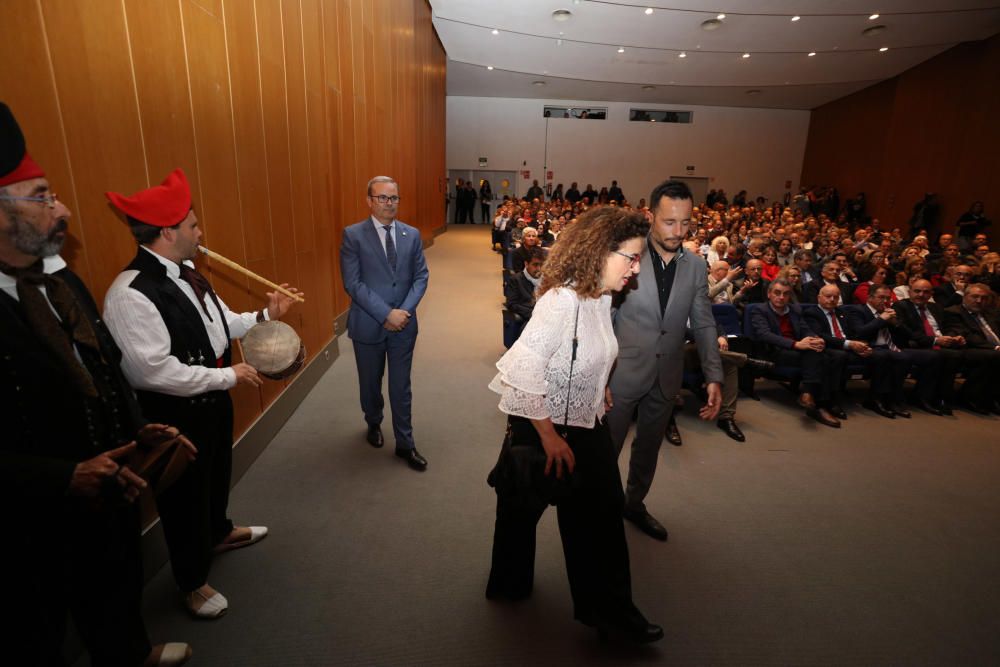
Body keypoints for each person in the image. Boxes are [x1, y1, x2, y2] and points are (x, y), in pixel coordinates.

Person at [0, 102, 192, 666]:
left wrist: (138, 431)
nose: (61, 209)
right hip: (26, 523)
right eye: (41, 196)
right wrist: (63, 475)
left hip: (107, 492)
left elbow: (102, 370)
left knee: (110, 591)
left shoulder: (60, 284)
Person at [103, 168, 296, 618]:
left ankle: (219, 531)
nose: (200, 231)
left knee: (215, 473)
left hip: (210, 399)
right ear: (168, 231)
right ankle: (191, 582)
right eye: (192, 225)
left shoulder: (189, 272)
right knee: (182, 498)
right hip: (173, 413)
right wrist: (226, 377)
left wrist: (265, 314)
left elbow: (222, 325)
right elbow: (149, 371)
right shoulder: (129, 294)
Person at [486, 206, 663, 644]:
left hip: (586, 424)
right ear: (599, 253)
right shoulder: (560, 302)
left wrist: (597, 385)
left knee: (600, 524)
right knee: (520, 511)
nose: (636, 268)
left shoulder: (602, 297)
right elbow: (521, 369)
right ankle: (509, 586)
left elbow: (592, 352)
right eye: (631, 258)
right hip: (546, 428)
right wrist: (548, 437)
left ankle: (612, 616)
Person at [606, 180, 723, 542]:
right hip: (620, 374)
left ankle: (634, 504)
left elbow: (703, 322)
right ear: (650, 216)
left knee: (649, 448)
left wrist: (713, 374)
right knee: (606, 449)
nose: (678, 231)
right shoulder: (626, 256)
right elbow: (604, 317)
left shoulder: (696, 266)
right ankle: (600, 511)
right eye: (669, 222)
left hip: (666, 375)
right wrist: (599, 377)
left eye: (685, 223)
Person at [341, 176, 430, 470]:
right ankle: (373, 422)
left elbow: (420, 277)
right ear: (369, 200)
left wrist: (402, 312)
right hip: (368, 324)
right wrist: (385, 313)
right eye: (382, 198)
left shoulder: (412, 235)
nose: (389, 204)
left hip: (404, 325)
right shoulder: (353, 236)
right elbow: (353, 284)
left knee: (401, 386)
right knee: (370, 383)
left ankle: (405, 443)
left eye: (393, 198)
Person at [749, 279, 844, 427]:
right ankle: (819, 402)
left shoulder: (794, 310)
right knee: (818, 356)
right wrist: (796, 344)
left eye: (786, 294)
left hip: (798, 350)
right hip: (775, 351)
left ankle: (812, 398)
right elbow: (764, 335)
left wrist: (815, 338)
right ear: (769, 294)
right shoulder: (759, 310)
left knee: (825, 355)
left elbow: (805, 328)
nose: (781, 297)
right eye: (777, 293)